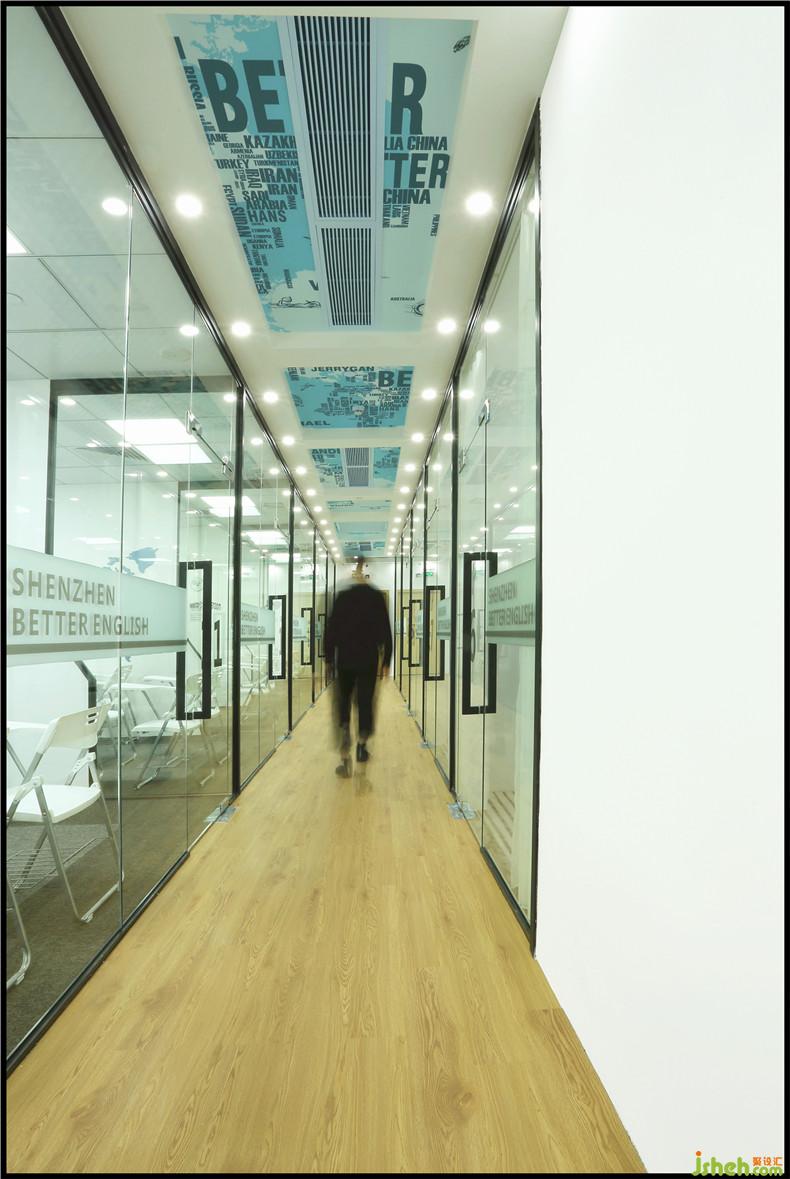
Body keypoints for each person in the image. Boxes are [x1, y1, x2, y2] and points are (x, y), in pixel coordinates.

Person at [324, 557, 393, 777]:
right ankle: (362, 745)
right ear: (366, 574)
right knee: (365, 702)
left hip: (344, 660)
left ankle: (345, 754)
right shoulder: (376, 597)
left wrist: (328, 660)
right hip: (368, 660)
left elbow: (331, 631)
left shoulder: (342, 598)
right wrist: (386, 661)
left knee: (343, 703)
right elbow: (386, 631)